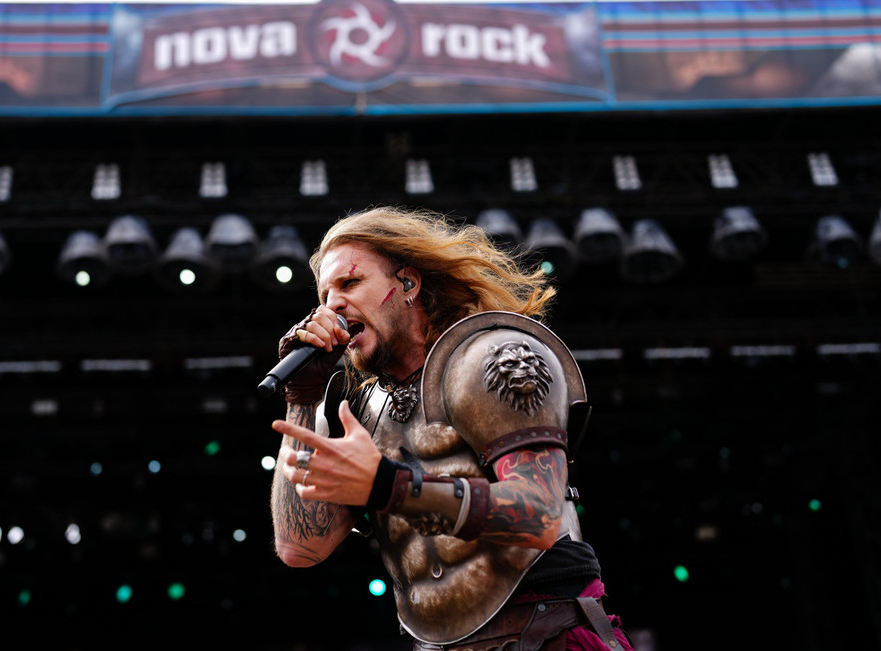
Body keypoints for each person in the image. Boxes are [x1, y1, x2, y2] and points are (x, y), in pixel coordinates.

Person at [270, 206, 633, 651]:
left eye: (350, 283)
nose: (333, 306)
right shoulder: (359, 409)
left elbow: (539, 516)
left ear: (408, 284)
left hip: (543, 631)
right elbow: (300, 548)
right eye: (325, 295)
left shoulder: (490, 356)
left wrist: (387, 485)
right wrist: (302, 398)